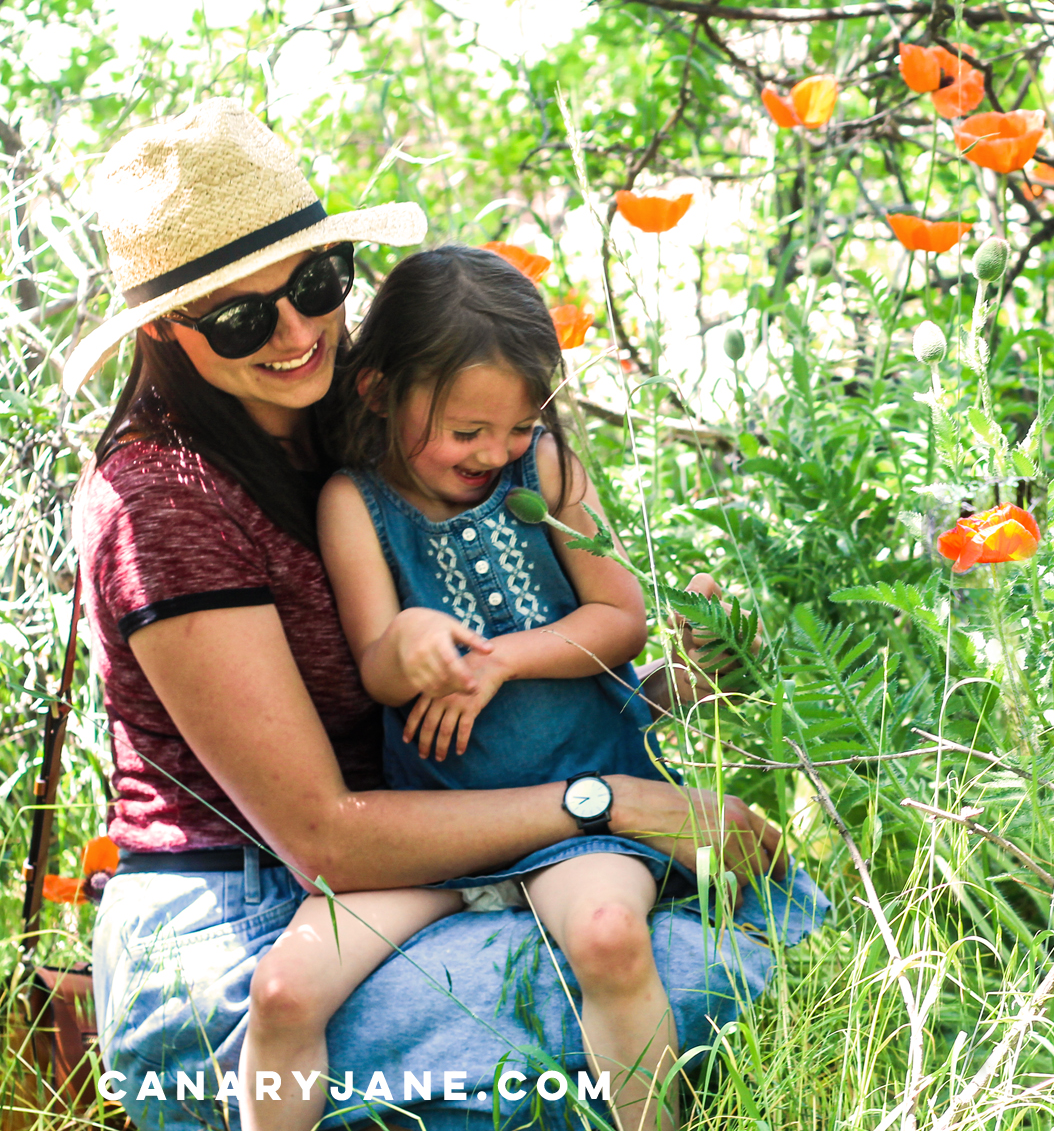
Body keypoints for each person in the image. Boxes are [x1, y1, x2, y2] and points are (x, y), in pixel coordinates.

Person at [66, 99, 829, 1131]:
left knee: (776, 941)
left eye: (313, 284)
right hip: (237, 919)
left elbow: (513, 649)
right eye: (243, 318)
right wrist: (613, 799)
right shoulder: (162, 501)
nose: (295, 333)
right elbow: (323, 839)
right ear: (164, 329)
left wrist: (660, 681)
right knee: (672, 989)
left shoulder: (370, 416)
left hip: (435, 837)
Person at [239, 247, 688, 1131]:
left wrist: (504, 659)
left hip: (577, 816)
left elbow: (620, 617)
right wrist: (407, 643)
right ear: (377, 391)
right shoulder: (354, 502)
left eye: (516, 427)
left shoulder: (546, 470)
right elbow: (376, 663)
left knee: (607, 938)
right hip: (440, 832)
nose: (495, 452)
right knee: (286, 990)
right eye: (467, 431)